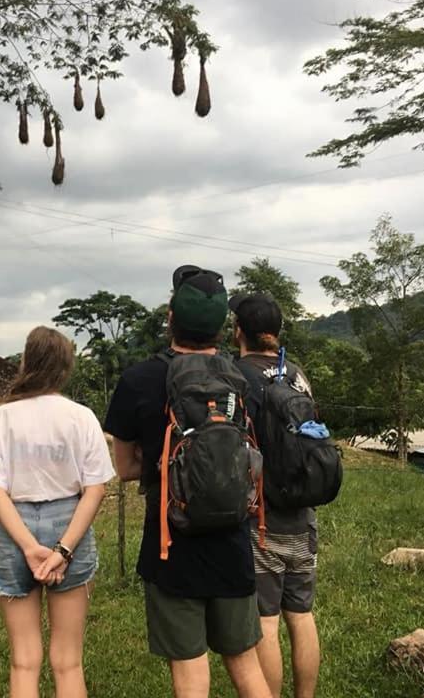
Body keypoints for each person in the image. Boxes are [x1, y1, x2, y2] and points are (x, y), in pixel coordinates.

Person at [104, 265, 272, 698]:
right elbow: (253, 456)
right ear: (224, 327)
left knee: (190, 669)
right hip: (233, 542)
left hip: (170, 545)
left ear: (170, 317)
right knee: (245, 663)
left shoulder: (140, 379)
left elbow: (124, 469)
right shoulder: (245, 380)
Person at [0, 326, 115, 698]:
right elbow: (95, 489)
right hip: (71, 524)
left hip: (14, 530)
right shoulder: (82, 417)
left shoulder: (2, 418)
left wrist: (27, 545)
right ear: (66, 365)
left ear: (26, 362)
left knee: (23, 661)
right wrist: (64, 549)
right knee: (68, 662)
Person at [230, 292, 321, 698]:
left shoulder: (237, 374)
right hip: (304, 512)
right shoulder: (298, 374)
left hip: (262, 519)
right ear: (277, 332)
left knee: (265, 621)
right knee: (301, 615)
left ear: (238, 332)